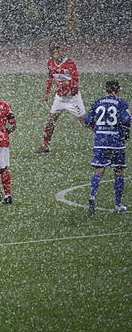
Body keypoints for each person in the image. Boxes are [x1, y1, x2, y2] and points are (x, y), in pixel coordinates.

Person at [84, 80, 131, 215]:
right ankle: (117, 204)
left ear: (106, 90)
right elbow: (126, 120)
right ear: (119, 90)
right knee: (119, 170)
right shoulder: (121, 103)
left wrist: (99, 130)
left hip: (101, 141)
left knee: (99, 169)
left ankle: (92, 195)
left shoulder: (98, 102)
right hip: (116, 142)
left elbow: (87, 120)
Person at [35, 46, 86, 153]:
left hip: (73, 97)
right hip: (60, 98)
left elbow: (75, 80)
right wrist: (48, 93)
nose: (61, 53)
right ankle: (45, 145)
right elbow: (51, 78)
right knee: (51, 120)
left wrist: (62, 87)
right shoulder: (50, 64)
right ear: (52, 55)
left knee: (85, 122)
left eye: (61, 50)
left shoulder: (70, 63)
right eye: (57, 52)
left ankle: (104, 137)